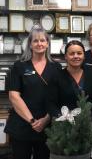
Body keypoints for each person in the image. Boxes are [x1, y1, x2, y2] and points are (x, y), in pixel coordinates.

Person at [4, 25, 61, 159]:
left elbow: (59, 96)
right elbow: (14, 96)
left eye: (42, 40)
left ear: (48, 44)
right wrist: (32, 121)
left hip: (47, 127)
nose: (39, 43)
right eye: (35, 41)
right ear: (30, 44)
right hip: (22, 125)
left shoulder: (56, 67)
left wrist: (46, 119)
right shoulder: (20, 66)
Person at [51, 40, 92, 114]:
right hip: (65, 123)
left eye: (79, 53)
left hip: (90, 122)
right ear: (66, 57)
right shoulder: (57, 77)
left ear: (84, 56)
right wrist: (62, 120)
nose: (76, 56)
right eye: (72, 53)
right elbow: (51, 104)